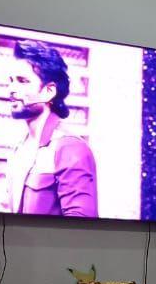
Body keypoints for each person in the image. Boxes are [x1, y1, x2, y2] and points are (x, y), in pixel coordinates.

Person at [6, 40, 98, 218]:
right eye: (11, 81)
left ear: (49, 91)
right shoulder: (20, 147)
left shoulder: (70, 148)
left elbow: (82, 224)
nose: (12, 89)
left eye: (22, 81)